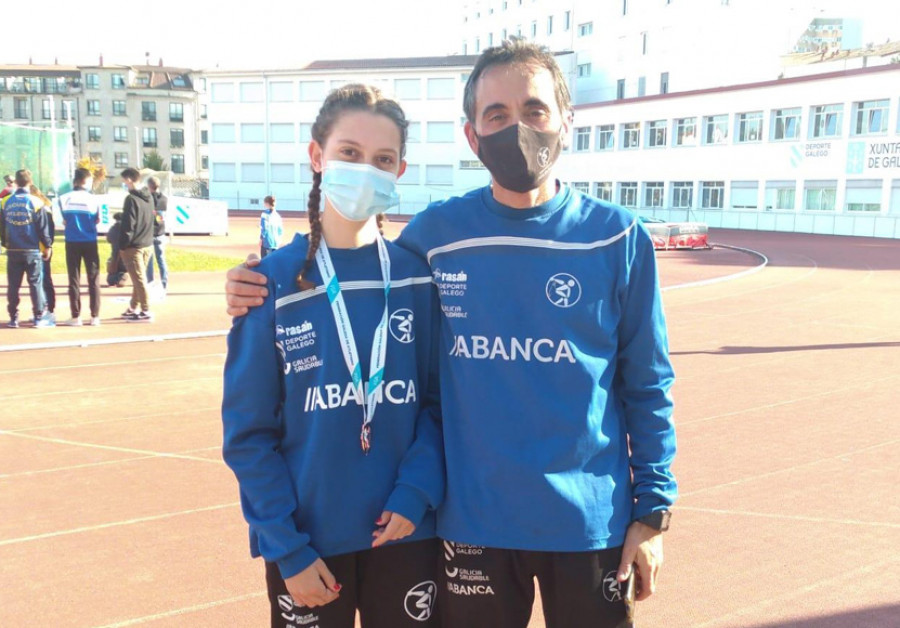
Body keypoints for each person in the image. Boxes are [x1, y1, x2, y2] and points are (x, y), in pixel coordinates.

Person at [226, 40, 677, 628]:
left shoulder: (617, 238)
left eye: (535, 110)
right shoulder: (434, 239)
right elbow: (352, 260)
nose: (517, 129)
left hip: (591, 522)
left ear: (567, 120)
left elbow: (648, 384)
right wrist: (251, 284)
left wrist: (654, 512)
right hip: (471, 525)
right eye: (497, 116)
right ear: (472, 136)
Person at [222, 84, 444, 628]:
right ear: (317, 156)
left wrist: (416, 493)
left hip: (408, 533)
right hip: (308, 548)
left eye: (382, 160)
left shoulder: (417, 278)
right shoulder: (269, 285)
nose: (366, 169)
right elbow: (249, 435)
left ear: (399, 171)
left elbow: (440, 406)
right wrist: (285, 547)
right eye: (349, 153)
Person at [1, 169, 54, 328]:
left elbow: (1, 226)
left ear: (15, 182)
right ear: (30, 182)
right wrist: (48, 246)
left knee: (13, 285)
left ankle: (13, 317)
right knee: (35, 284)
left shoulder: (5, 201)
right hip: (32, 249)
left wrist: (5, 243)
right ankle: (39, 317)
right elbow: (43, 228)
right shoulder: (37, 202)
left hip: (13, 249)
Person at [58, 167, 102, 326]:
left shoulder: (63, 198)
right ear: (87, 181)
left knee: (74, 279)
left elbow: (63, 221)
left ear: (75, 180)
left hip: (72, 242)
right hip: (90, 241)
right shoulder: (94, 199)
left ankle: (76, 316)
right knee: (94, 278)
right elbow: (98, 220)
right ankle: (95, 316)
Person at [118, 168, 155, 322]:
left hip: (134, 246)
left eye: (124, 181)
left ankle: (146, 310)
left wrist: (122, 245)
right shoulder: (149, 197)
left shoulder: (131, 199)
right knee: (137, 278)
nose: (124, 184)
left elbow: (128, 225)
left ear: (130, 180)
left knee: (139, 280)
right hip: (147, 243)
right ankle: (133, 307)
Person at [31, 186, 57, 325]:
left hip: (42, 248)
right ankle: (41, 308)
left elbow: (49, 231)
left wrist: (48, 246)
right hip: (37, 248)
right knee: (38, 281)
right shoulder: (42, 208)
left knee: (45, 278)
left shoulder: (44, 209)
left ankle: (50, 310)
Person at [145, 175, 168, 293]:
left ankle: (150, 283)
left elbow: (156, 216)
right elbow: (161, 218)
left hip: (150, 232)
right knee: (161, 259)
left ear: (149, 186)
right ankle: (164, 284)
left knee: (149, 260)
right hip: (160, 231)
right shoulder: (164, 198)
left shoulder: (147, 198)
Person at [105, 212, 128, 287]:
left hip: (115, 252)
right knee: (123, 266)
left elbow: (109, 239)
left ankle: (113, 279)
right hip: (125, 252)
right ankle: (121, 276)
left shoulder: (113, 228)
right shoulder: (126, 228)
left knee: (113, 265)